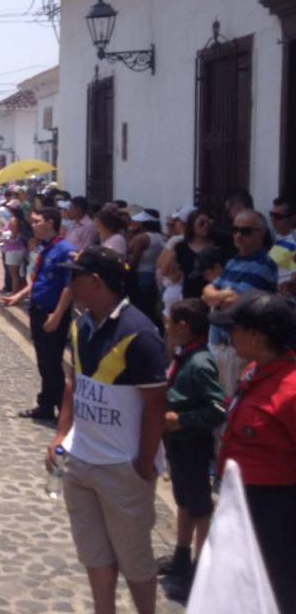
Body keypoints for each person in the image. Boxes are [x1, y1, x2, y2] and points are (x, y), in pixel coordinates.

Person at [45, 246, 168, 614]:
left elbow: (155, 405)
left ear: (95, 281)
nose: (70, 283)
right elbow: (73, 384)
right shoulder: (81, 324)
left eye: (75, 276)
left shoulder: (140, 333)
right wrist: (60, 435)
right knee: (94, 555)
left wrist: (143, 462)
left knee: (135, 559)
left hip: (121, 466)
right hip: (81, 461)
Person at [212, 291, 296, 612]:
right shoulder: (254, 371)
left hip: (275, 511)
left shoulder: (290, 390)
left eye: (236, 328)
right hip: (241, 501)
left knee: (275, 592)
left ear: (258, 336)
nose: (229, 334)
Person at [157, 299, 226, 601]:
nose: (167, 327)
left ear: (183, 327)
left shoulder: (201, 363)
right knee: (183, 500)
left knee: (200, 509)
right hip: (178, 443)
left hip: (193, 443)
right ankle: (182, 557)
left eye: (170, 322)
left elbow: (217, 407)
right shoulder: (185, 355)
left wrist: (183, 419)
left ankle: (201, 570)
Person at [2, 208, 76, 421]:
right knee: (44, 362)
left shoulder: (65, 250)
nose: (32, 225)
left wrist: (57, 315)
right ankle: (46, 405)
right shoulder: (46, 249)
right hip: (37, 310)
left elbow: (69, 286)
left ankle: (64, 412)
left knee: (52, 363)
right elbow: (38, 281)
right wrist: (19, 296)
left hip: (52, 313)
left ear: (50, 223)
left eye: (36, 221)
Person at [202, 209, 277, 395]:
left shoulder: (265, 264)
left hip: (237, 351)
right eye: (235, 229)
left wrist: (218, 297)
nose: (238, 235)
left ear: (261, 233)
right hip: (218, 344)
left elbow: (238, 304)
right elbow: (206, 293)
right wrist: (223, 295)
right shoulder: (233, 262)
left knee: (231, 405)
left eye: (245, 231)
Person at [128, 211, 165, 327]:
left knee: (141, 305)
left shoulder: (142, 238)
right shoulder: (161, 237)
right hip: (156, 274)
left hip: (142, 274)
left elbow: (134, 260)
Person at [1, 209, 29, 294]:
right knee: (19, 273)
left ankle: (14, 292)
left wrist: (5, 237)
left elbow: (14, 236)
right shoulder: (19, 220)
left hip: (13, 249)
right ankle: (19, 291)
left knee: (14, 274)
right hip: (18, 249)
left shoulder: (13, 220)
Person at [268, 196, 295, 279]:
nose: (272, 220)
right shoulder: (279, 237)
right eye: (271, 215)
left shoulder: (294, 241)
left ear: (293, 219)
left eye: (277, 216)